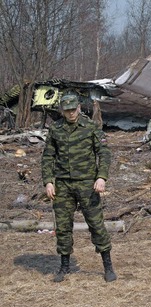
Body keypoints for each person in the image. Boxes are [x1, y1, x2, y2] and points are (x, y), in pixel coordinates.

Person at [41, 92, 116, 282]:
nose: (71, 113)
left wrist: (101, 177)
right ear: (62, 111)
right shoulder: (55, 129)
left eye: (73, 109)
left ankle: (108, 266)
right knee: (63, 227)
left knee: (96, 225)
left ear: (79, 108)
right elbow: (48, 156)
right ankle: (64, 266)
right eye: (67, 111)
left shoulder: (90, 127)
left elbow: (104, 152)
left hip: (87, 184)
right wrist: (48, 181)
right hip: (63, 185)